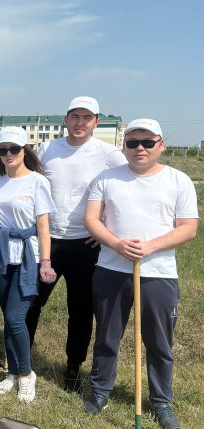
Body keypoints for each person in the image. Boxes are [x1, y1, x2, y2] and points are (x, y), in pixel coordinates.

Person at [83, 119, 197, 428]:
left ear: (161, 145)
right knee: (107, 337)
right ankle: (100, 392)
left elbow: (188, 228)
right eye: (133, 142)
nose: (140, 148)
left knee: (159, 342)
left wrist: (150, 246)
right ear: (124, 146)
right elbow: (92, 219)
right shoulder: (106, 179)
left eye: (147, 142)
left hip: (159, 273)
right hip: (111, 269)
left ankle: (161, 402)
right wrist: (117, 244)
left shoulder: (179, 180)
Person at [24, 97, 127, 393]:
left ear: (96, 121)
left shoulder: (109, 153)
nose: (80, 123)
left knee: (80, 309)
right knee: (32, 301)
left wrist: (105, 225)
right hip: (48, 241)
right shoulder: (48, 149)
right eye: (75, 116)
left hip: (86, 244)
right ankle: (21, 358)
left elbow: (122, 189)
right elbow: (33, 184)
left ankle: (73, 366)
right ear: (66, 119)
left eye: (87, 117)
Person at [0, 126, 57, 404]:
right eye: (3, 150)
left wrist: (45, 262)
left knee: (16, 318)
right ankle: (12, 372)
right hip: (2, 258)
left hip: (28, 258)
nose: (8, 154)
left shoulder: (38, 182)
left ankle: (26, 375)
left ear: (25, 150)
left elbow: (44, 226)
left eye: (14, 149)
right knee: (8, 320)